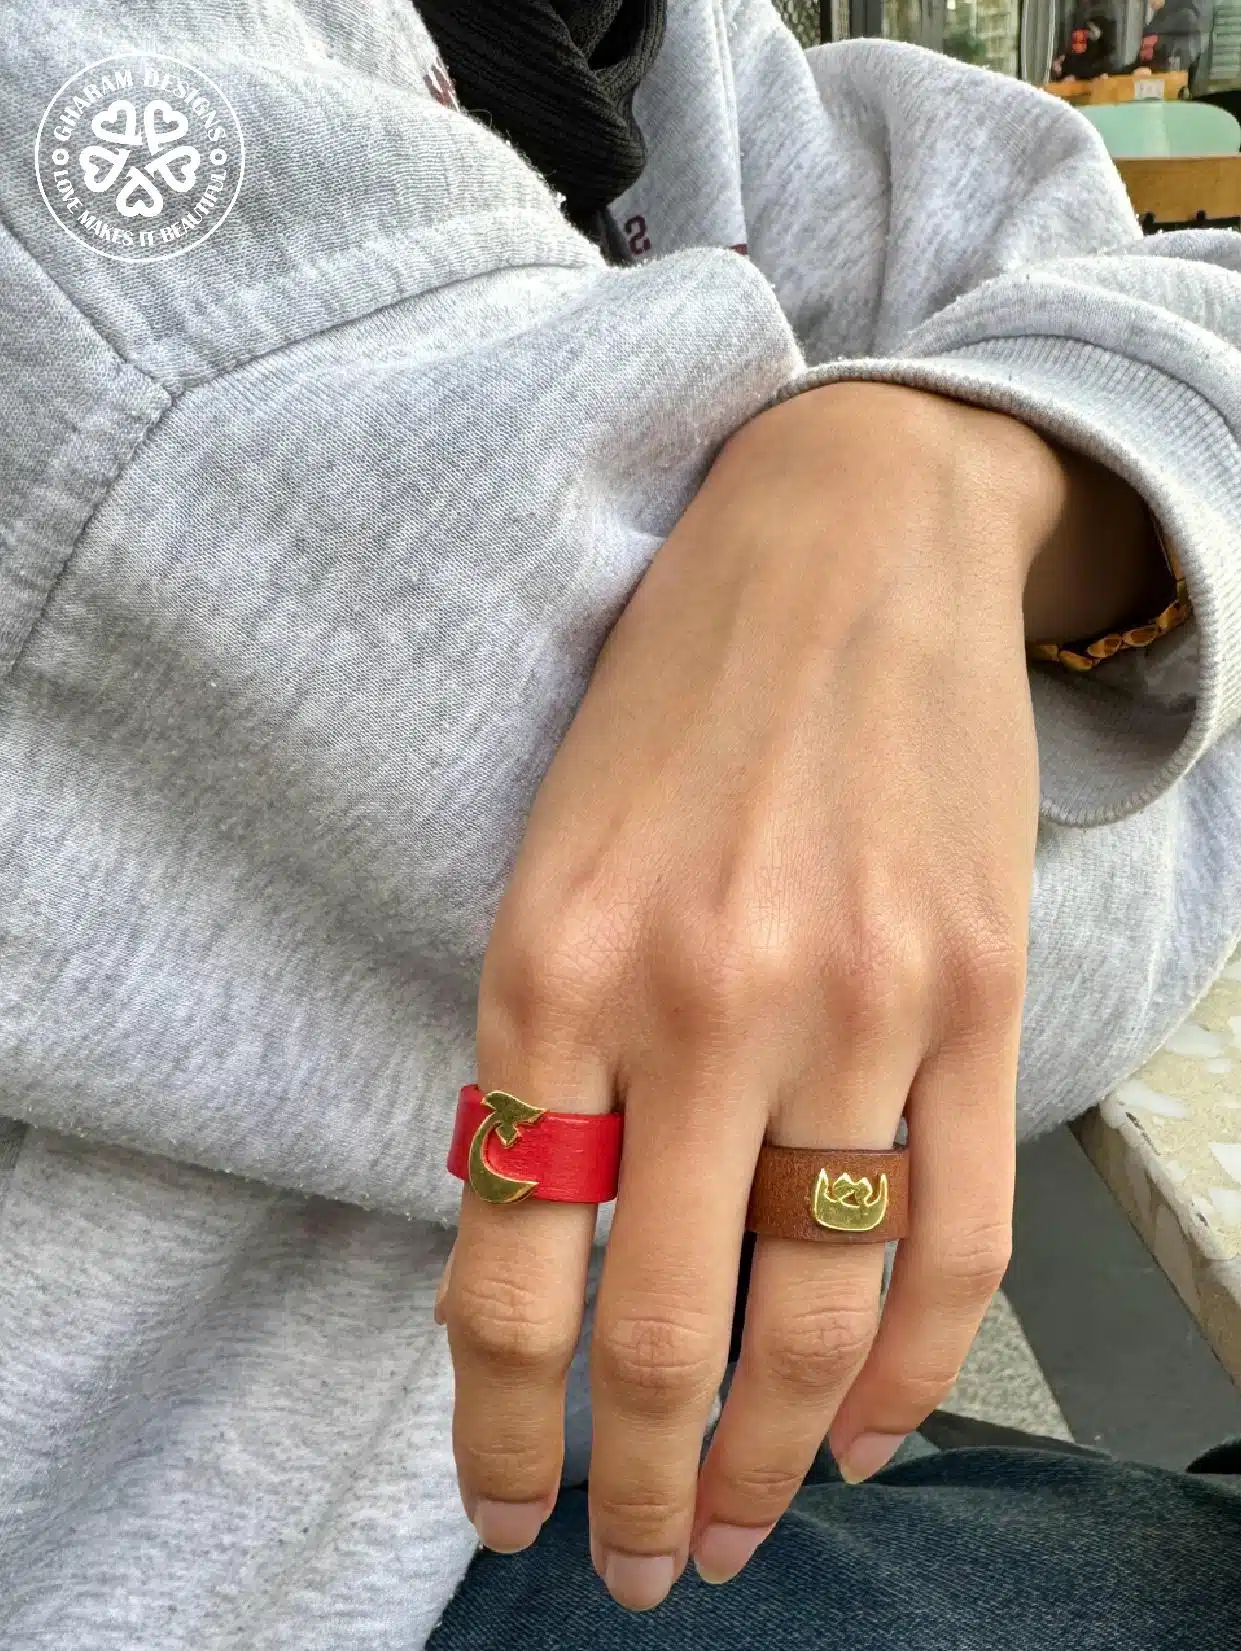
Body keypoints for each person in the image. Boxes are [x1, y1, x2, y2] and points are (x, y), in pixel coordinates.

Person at [1, 1, 1240, 1646]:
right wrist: (1110, 556)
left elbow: (1155, 277)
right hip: (262, 1569)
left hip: (582, 1439)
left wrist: (933, 467)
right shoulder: (94, 176)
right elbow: (964, 961)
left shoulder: (646, 41)